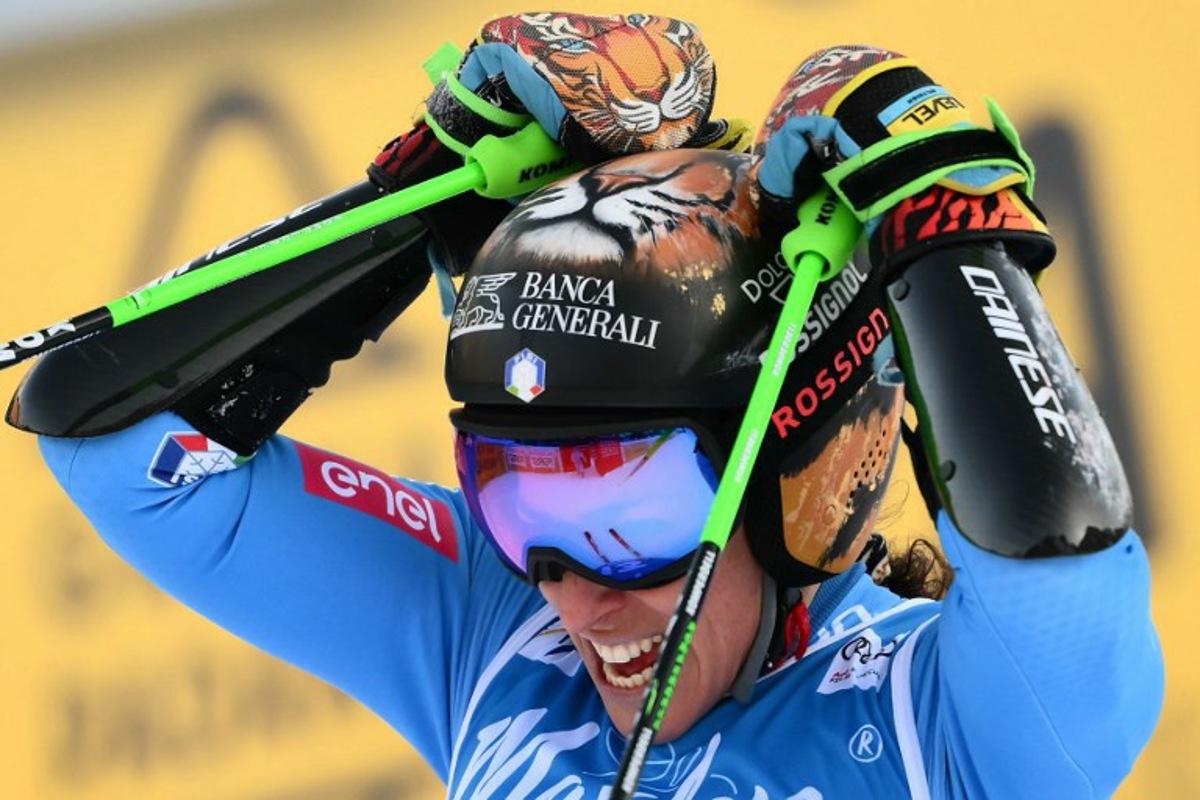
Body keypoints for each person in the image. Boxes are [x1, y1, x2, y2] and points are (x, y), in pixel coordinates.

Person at [9, 17, 1162, 799]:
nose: (580, 597)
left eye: (631, 508)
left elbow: (1057, 544)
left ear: (801, 468)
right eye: (518, 504)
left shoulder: (953, 725)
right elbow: (108, 432)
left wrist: (944, 230)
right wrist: (415, 191)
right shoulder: (494, 632)